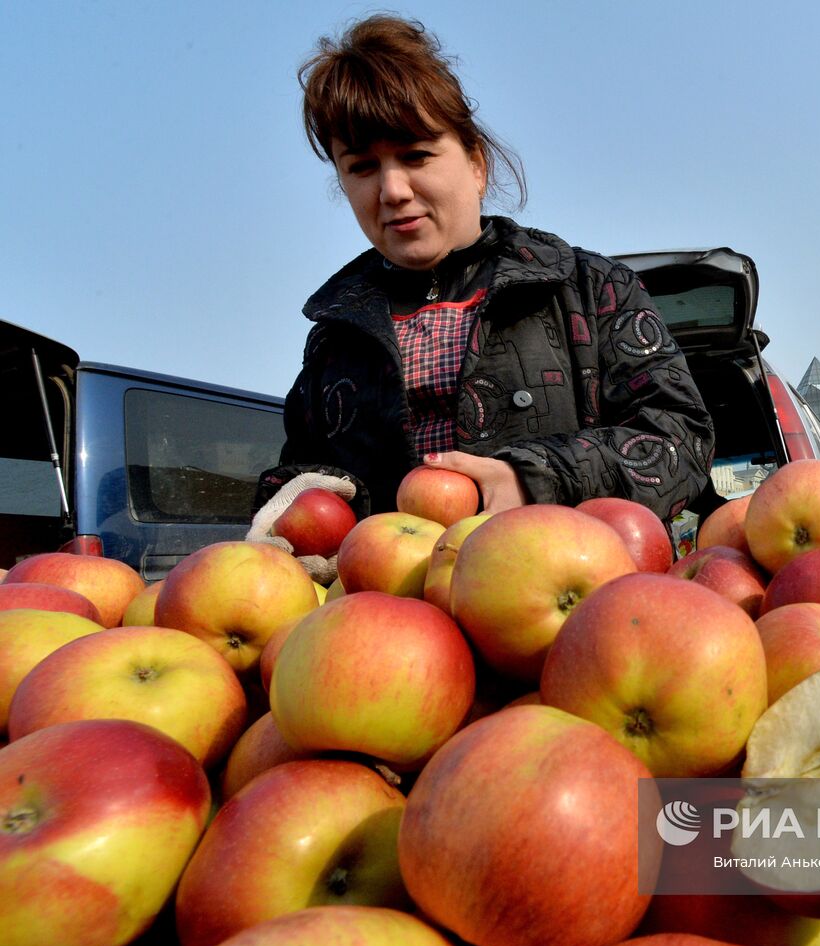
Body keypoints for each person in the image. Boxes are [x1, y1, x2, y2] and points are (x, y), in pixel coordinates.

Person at [250, 14, 714, 573]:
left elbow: (680, 437)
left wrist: (535, 478)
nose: (393, 190)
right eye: (362, 167)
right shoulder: (334, 338)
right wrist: (289, 512)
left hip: (571, 607)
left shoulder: (592, 291)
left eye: (416, 155)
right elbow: (303, 473)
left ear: (475, 162)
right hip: (390, 627)